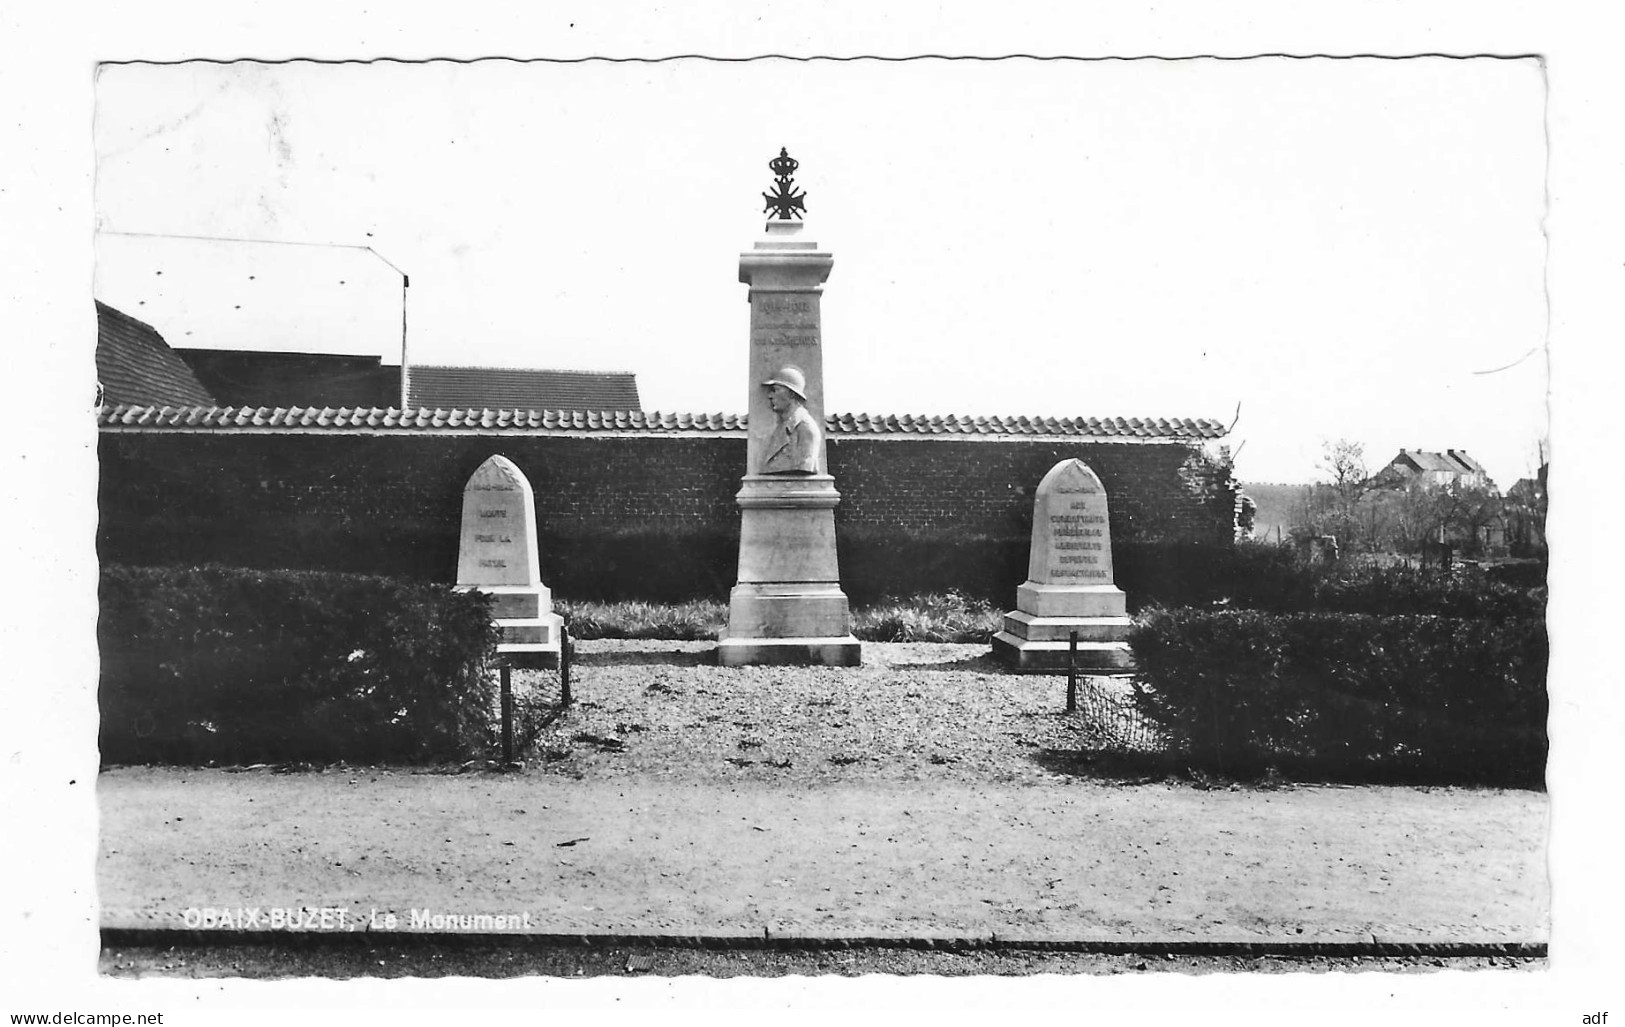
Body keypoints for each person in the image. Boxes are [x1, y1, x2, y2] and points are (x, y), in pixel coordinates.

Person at [759, 366, 820, 474]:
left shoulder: (806, 429)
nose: (770, 396)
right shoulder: (784, 426)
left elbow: (804, 465)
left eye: (775, 390)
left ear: (791, 394)